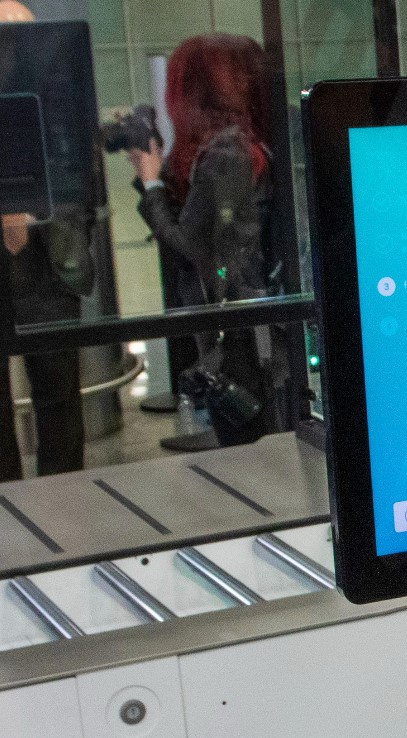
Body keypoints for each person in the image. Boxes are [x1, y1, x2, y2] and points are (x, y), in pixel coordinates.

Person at [125, 32, 277, 449]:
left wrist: (151, 181)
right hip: (254, 316)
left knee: (247, 447)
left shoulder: (226, 153)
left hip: (238, 327)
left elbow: (189, 247)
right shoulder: (254, 142)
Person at [0, 0, 87, 479]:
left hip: (45, 251)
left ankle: (66, 500)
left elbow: (76, 168)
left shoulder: (53, 98)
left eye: (23, 37)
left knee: (58, 389)